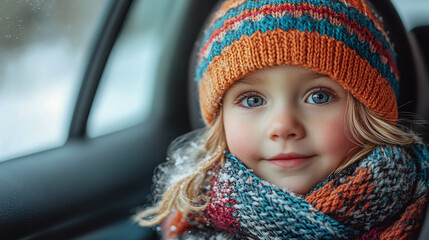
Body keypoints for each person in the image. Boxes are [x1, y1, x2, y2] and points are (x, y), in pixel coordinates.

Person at [136, 0, 429, 239]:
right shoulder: (189, 220)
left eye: (319, 96)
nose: (283, 126)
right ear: (220, 122)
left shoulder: (417, 214)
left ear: (370, 111)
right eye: (252, 100)